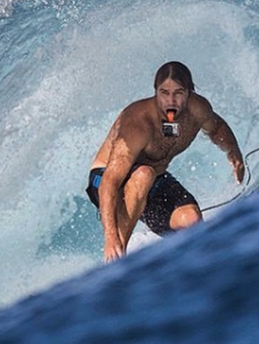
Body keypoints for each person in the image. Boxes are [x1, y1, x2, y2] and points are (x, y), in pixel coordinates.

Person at [86, 61, 245, 262]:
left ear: (189, 93)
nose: (171, 101)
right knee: (144, 174)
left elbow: (216, 127)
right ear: (155, 92)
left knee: (191, 221)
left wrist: (234, 153)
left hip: (152, 179)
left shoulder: (197, 110)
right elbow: (110, 181)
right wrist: (110, 237)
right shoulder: (138, 123)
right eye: (164, 93)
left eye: (178, 93)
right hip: (104, 180)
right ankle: (117, 260)